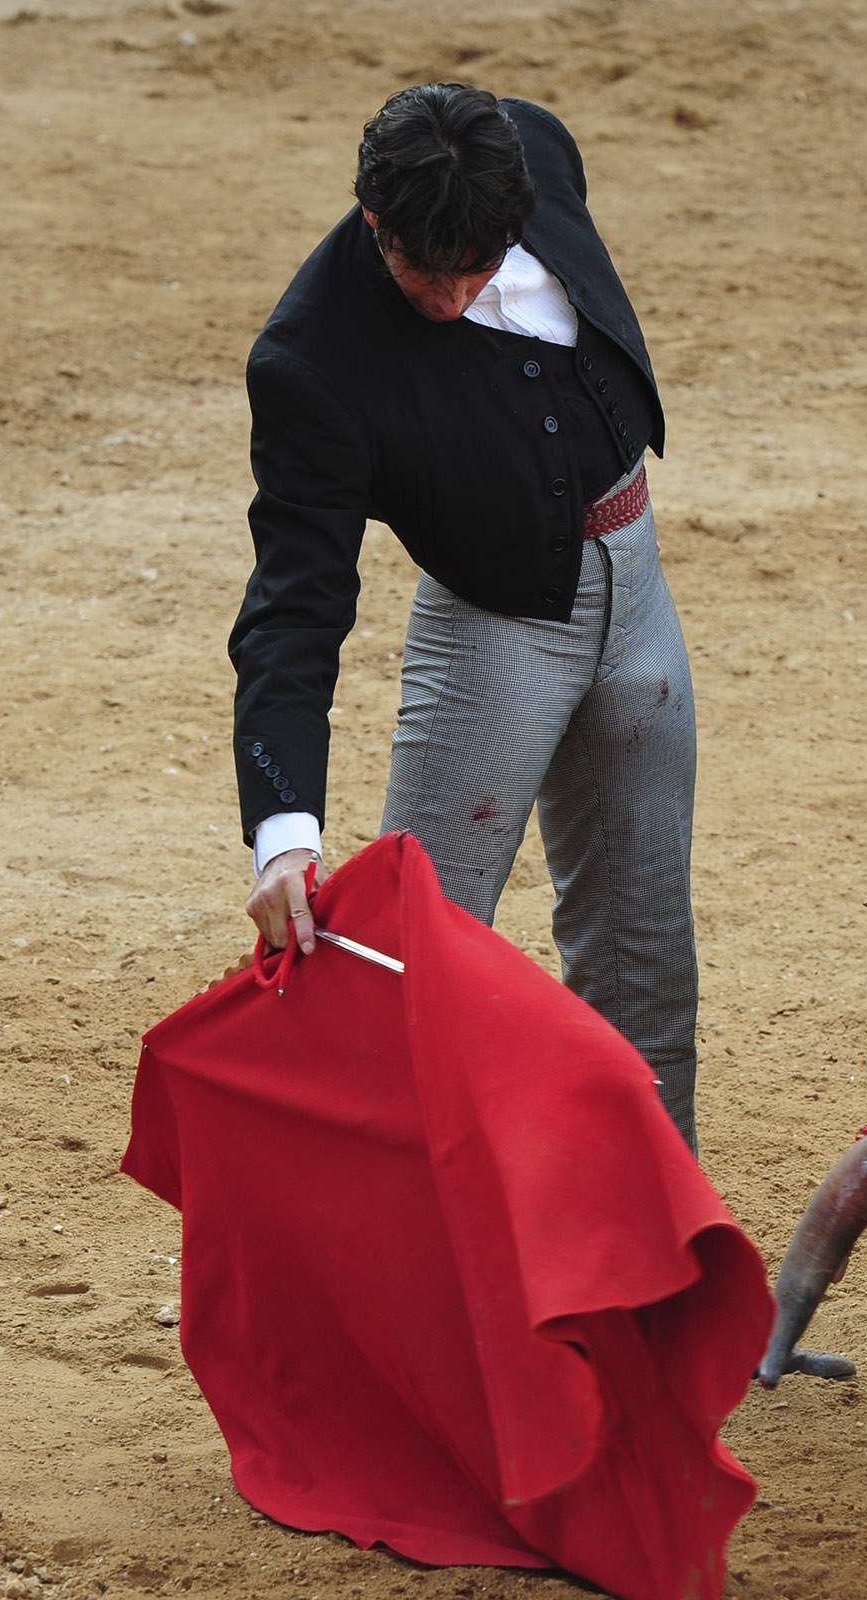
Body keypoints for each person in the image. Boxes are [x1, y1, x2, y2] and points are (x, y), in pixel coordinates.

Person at [229, 83, 699, 1146]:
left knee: (648, 973)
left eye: (474, 269)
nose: (446, 298)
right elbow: (294, 607)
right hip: (495, 631)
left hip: (640, 592)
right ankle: (383, 1274)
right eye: (418, 272)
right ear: (372, 220)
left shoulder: (538, 152)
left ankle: (656, 1283)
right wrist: (283, 834)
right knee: (405, 972)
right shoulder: (311, 360)